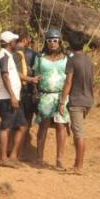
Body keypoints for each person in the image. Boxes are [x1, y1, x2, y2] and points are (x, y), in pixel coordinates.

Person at [32, 27, 71, 170]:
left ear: (60, 42)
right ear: (46, 42)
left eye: (55, 40)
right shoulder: (40, 58)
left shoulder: (67, 58)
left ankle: (59, 159)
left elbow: (70, 78)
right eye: (49, 40)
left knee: (61, 126)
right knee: (44, 125)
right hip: (46, 96)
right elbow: (35, 75)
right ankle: (39, 158)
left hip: (62, 95)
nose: (52, 43)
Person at [60, 36, 95, 175]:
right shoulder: (89, 60)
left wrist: (62, 101)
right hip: (88, 100)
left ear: (70, 45)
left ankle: (78, 166)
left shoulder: (72, 60)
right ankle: (76, 164)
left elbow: (68, 82)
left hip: (76, 100)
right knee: (77, 132)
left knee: (78, 133)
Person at [0, 30, 26, 167]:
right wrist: (12, 96)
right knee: (6, 127)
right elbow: (5, 76)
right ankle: (3, 158)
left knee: (23, 126)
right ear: (9, 43)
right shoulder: (4, 57)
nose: (16, 43)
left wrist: (30, 79)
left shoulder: (7, 56)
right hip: (7, 98)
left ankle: (12, 156)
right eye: (14, 41)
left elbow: (13, 73)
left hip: (11, 97)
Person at [15, 31, 40, 155]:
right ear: (26, 39)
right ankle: (20, 151)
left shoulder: (9, 51)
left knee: (15, 121)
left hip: (13, 91)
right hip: (26, 91)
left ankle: (15, 150)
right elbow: (36, 72)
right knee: (25, 122)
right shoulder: (32, 54)